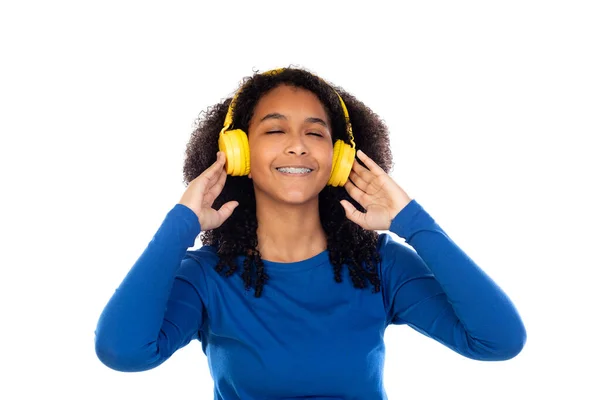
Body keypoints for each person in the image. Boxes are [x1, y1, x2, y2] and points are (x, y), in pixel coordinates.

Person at [94, 67, 526, 399]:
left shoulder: (379, 265)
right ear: (237, 152)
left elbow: (498, 341)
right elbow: (123, 352)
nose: (297, 145)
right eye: (275, 129)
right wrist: (181, 224)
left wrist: (412, 221)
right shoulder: (207, 275)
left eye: (315, 132)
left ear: (339, 157)